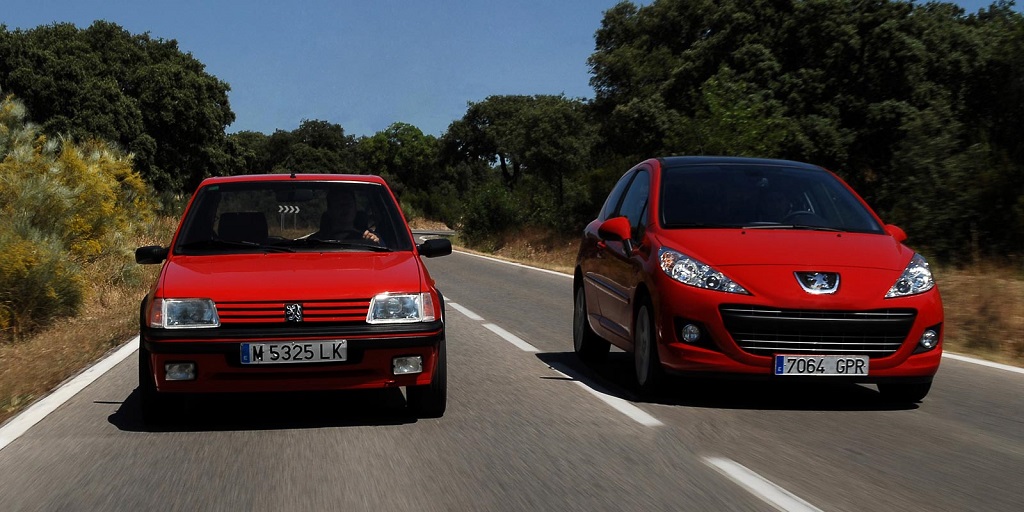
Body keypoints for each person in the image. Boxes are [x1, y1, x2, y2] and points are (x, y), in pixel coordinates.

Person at [313, 188, 381, 244]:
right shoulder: (314, 242)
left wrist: (374, 243)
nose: (344, 208)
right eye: (338, 205)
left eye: (348, 204)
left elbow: (383, 255)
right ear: (330, 210)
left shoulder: (368, 238)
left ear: (355, 208)